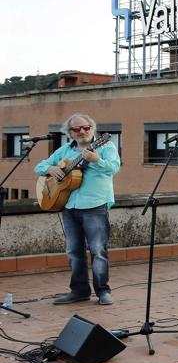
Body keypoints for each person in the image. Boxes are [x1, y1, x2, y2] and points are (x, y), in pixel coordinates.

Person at [34, 113, 120, 305]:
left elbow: (114, 168)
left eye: (86, 127)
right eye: (77, 129)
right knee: (74, 251)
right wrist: (50, 169)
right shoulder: (64, 151)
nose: (82, 131)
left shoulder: (106, 146)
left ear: (93, 128)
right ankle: (79, 291)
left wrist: (97, 160)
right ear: (70, 133)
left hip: (95, 205)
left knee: (98, 250)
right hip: (69, 206)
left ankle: (103, 291)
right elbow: (39, 166)